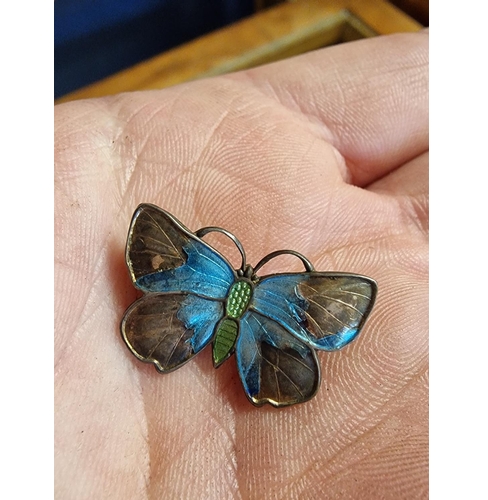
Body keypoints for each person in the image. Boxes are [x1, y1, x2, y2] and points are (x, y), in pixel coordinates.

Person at [55, 31, 428, 498]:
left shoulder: (215, 268)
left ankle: (217, 357)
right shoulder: (285, 285)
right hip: (257, 327)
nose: (248, 278)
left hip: (206, 312)